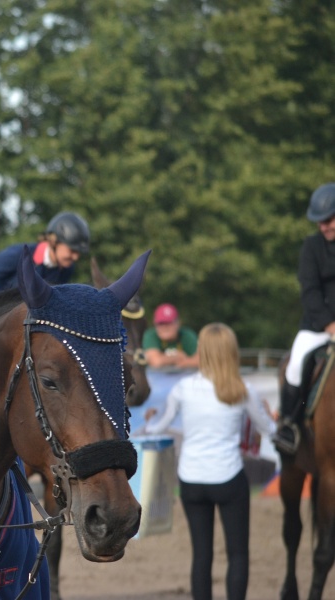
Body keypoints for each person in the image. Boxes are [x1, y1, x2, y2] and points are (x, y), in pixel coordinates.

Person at [143, 323, 276, 600]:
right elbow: (269, 430)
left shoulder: (183, 387)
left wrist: (151, 418)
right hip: (228, 479)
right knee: (238, 553)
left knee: (201, 555)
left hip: (192, 481)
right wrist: (268, 413)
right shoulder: (243, 389)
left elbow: (158, 427)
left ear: (202, 351)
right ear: (231, 352)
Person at [273, 182, 335, 454]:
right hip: (318, 325)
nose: (324, 226)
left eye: (329, 220)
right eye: (320, 222)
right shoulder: (311, 247)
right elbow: (309, 290)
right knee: (296, 364)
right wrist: (329, 324)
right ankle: (289, 425)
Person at [0, 211, 90, 291]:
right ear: (54, 241)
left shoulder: (67, 269)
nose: (75, 257)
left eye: (78, 252)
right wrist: (4, 305)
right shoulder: (19, 254)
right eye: (72, 250)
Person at [143, 302, 200, 369]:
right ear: (155, 324)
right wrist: (177, 357)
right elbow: (156, 362)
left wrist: (185, 362)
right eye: (161, 323)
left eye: (169, 323)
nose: (165, 327)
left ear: (178, 323)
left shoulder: (186, 334)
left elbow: (201, 360)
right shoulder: (151, 335)